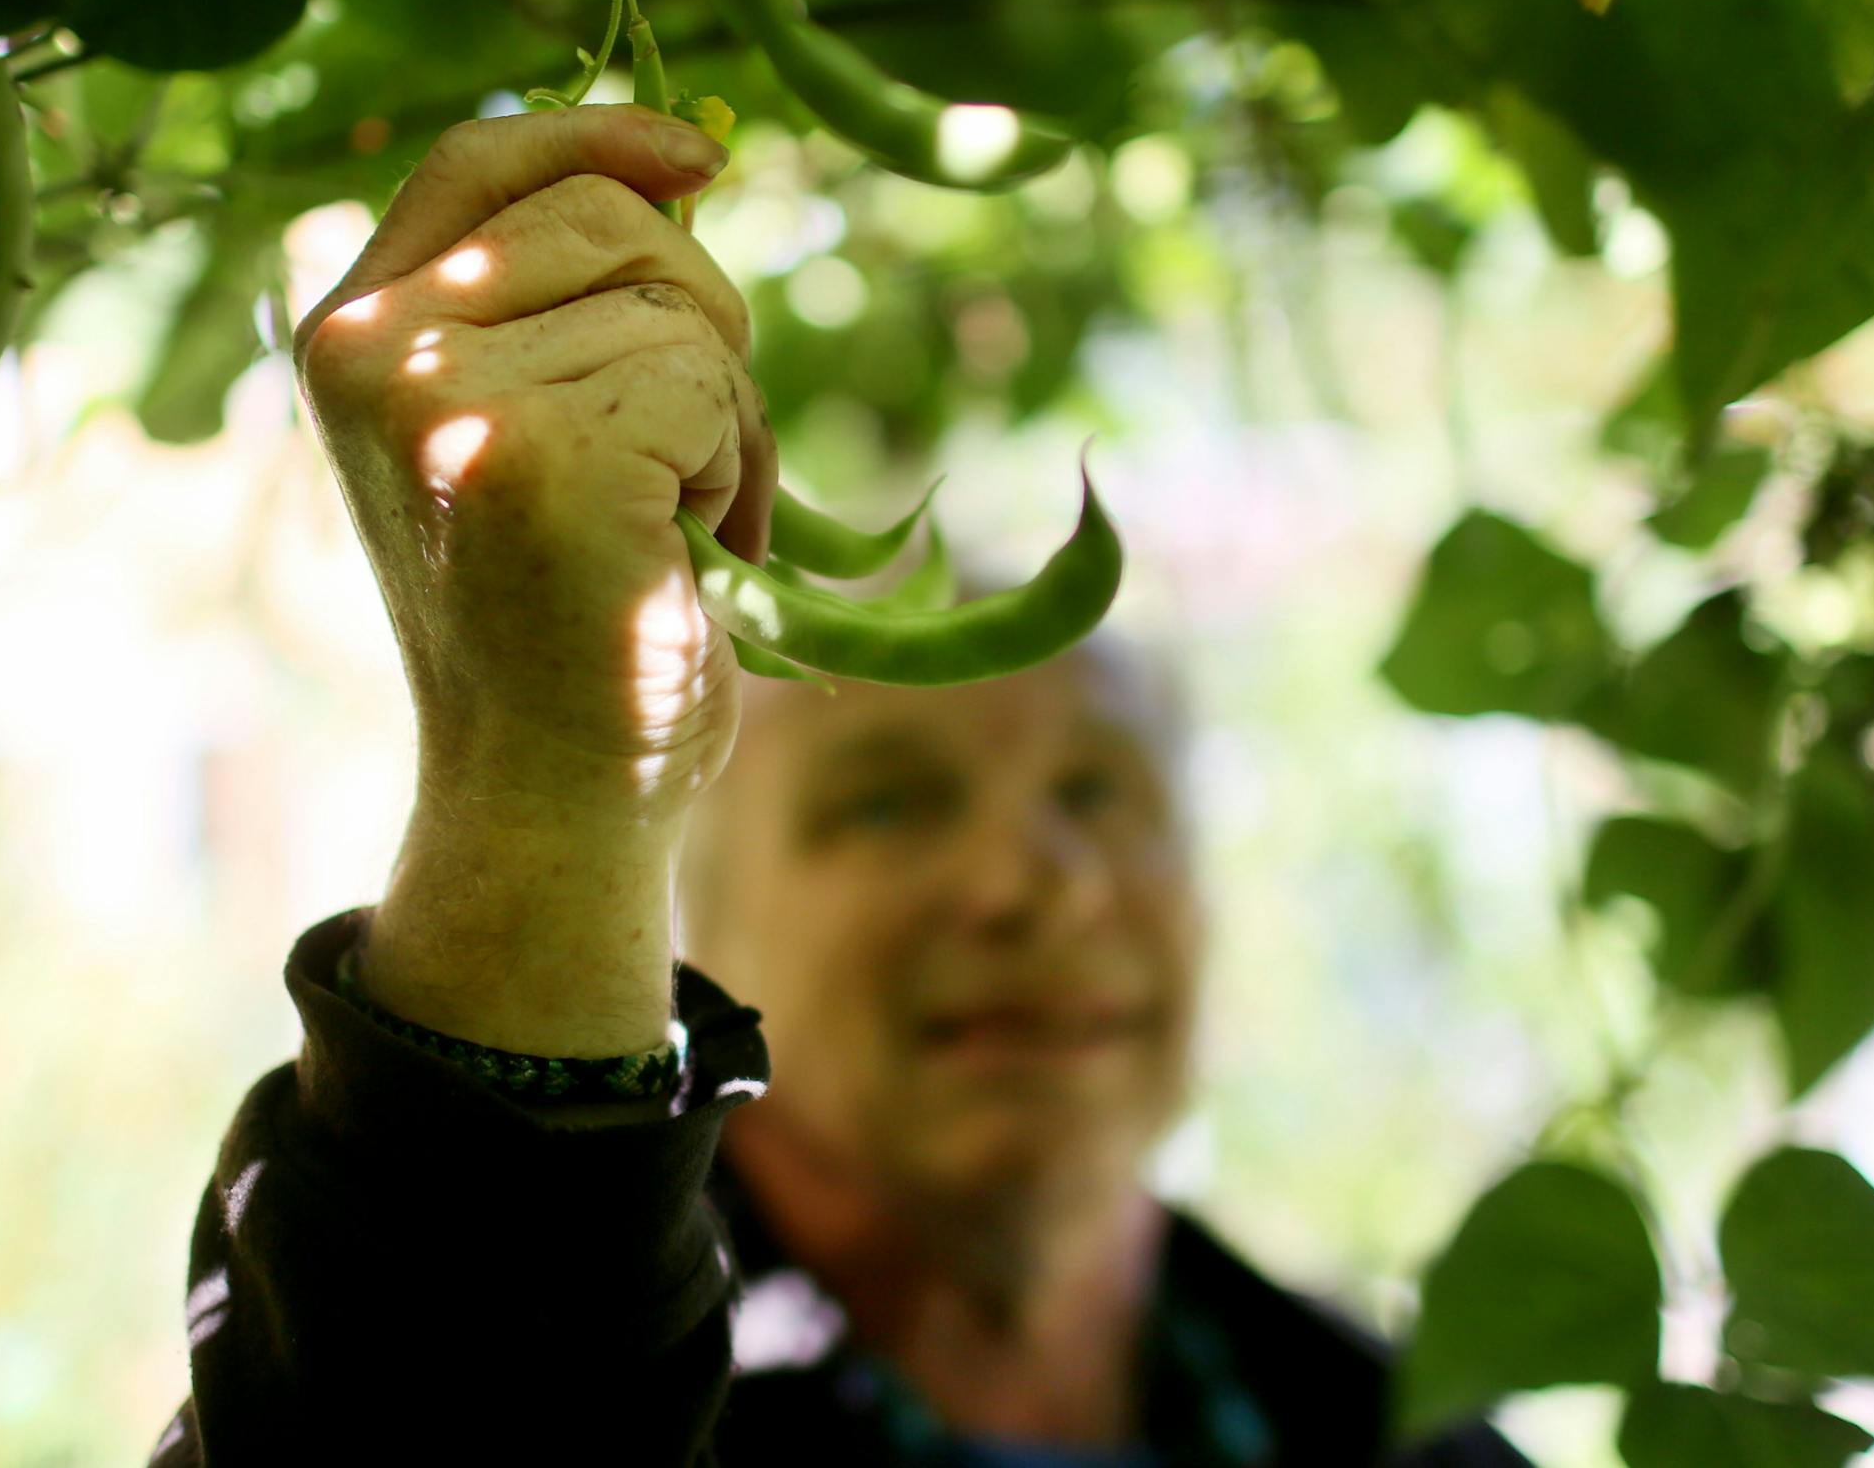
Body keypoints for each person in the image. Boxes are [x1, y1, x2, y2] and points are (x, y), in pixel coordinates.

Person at [148, 104, 1527, 1467]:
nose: (1030, 883)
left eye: (1100, 793)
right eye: (888, 802)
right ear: (705, 927)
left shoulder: (1405, 1440)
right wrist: (551, 778)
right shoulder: (566, 1369)